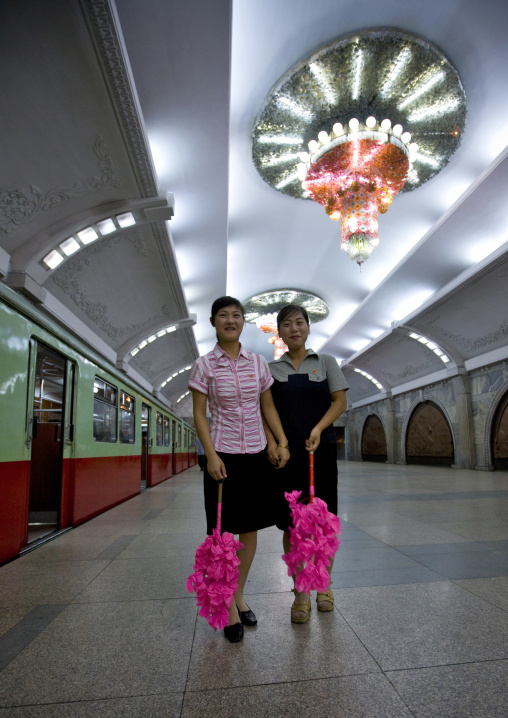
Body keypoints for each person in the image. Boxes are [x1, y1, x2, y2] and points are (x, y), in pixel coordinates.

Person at [189, 296, 290, 643]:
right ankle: (228, 608)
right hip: (224, 456)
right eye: (223, 315)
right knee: (222, 534)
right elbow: (199, 413)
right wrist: (210, 455)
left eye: (236, 315)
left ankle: (237, 595)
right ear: (213, 322)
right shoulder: (204, 365)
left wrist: (280, 441)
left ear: (243, 322)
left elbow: (267, 407)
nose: (230, 320)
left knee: (249, 529)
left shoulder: (258, 362)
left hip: (256, 455)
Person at [264, 304, 348, 624]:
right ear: (280, 333)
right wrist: (274, 443)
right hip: (288, 457)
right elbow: (265, 410)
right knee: (292, 524)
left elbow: (340, 401)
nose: (294, 329)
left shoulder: (325, 362)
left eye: (300, 323)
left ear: (309, 328)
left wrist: (319, 428)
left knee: (323, 523)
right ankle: (301, 591)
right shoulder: (271, 369)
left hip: (320, 452)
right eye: (287, 324)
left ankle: (323, 585)